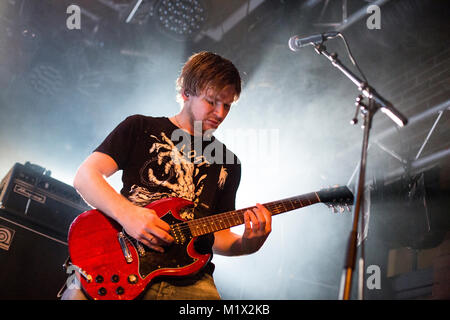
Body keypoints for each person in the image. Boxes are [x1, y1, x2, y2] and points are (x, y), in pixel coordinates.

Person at [60, 51, 272, 300]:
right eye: (212, 101)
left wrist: (247, 244)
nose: (220, 113)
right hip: (118, 263)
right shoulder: (140, 127)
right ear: (186, 93)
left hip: (191, 281)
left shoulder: (229, 163)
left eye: (227, 105)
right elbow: (85, 177)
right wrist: (130, 216)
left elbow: (216, 235)